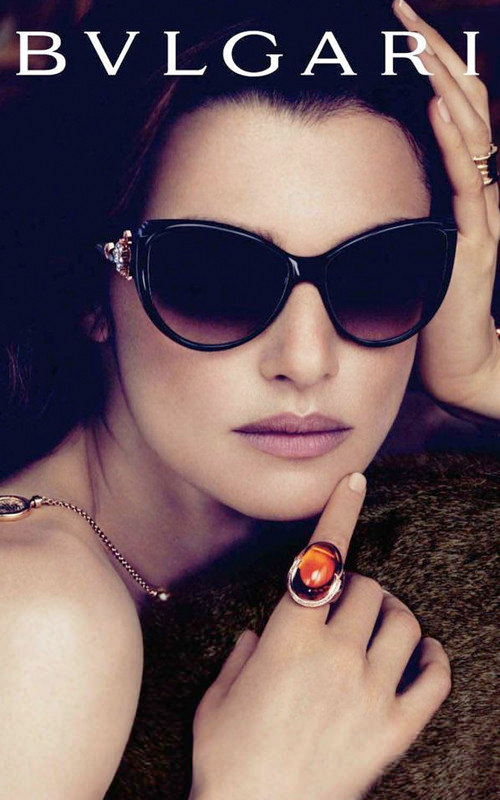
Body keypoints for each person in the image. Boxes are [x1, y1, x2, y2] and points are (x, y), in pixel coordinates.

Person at [0, 0, 498, 798]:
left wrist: (478, 374)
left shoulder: (401, 477)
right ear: (92, 294)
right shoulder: (36, 617)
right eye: (215, 279)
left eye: (379, 275)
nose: (306, 360)